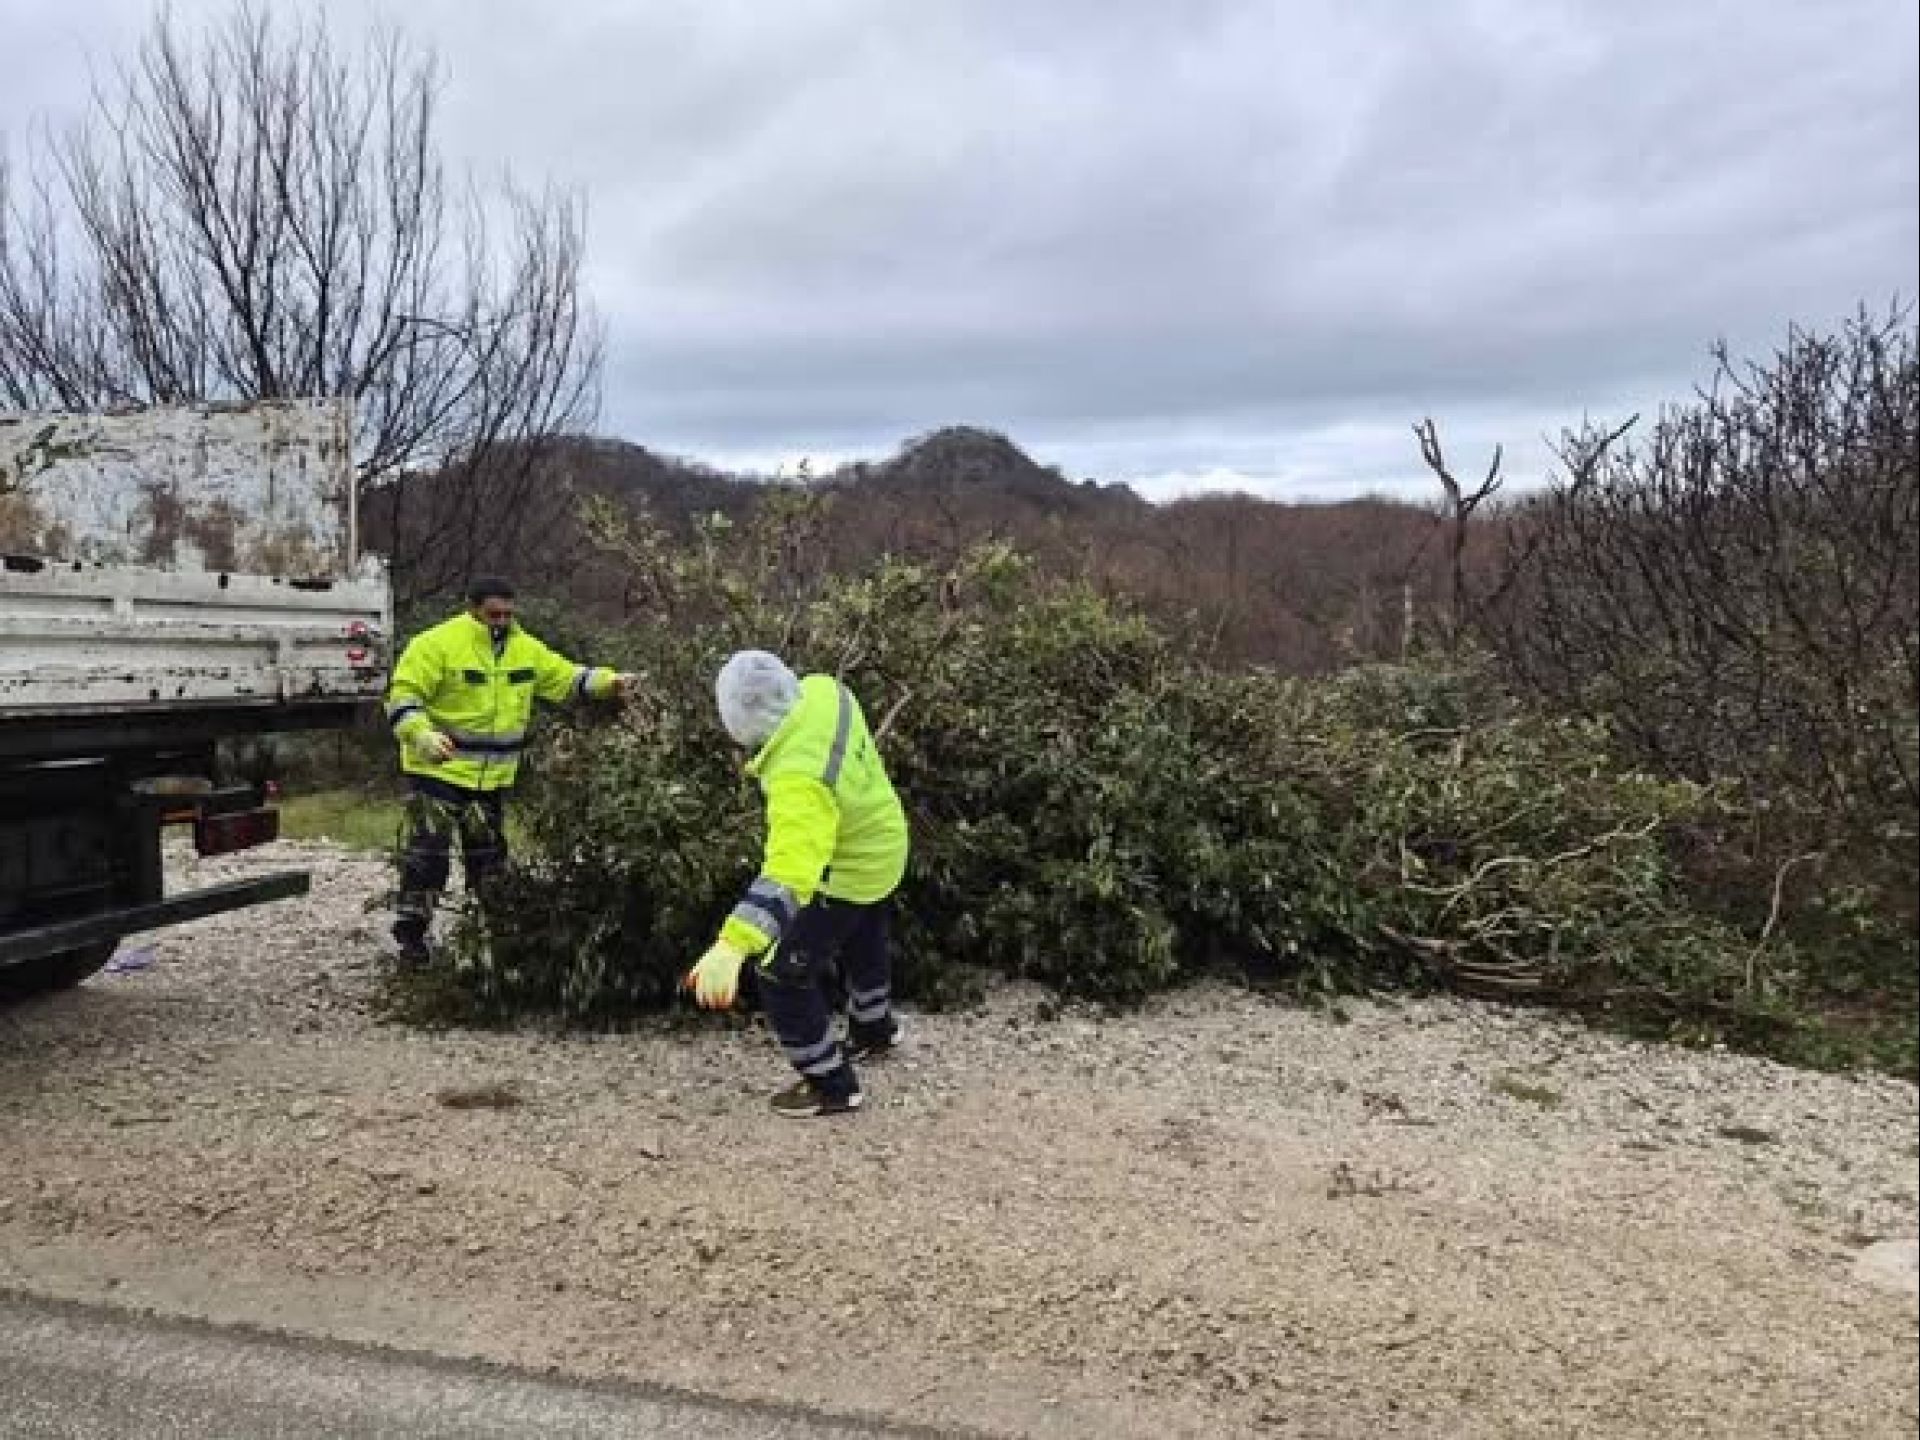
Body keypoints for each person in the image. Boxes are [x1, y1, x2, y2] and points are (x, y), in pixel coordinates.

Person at [684, 651, 910, 1118]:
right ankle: (875, 1030)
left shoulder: (797, 777)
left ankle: (831, 1085)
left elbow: (790, 873)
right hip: (885, 842)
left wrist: (733, 944)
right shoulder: (826, 691)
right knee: (864, 933)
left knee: (781, 974)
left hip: (847, 867)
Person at [382, 576, 634, 966]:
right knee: (428, 855)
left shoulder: (524, 649)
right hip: (438, 770)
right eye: (493, 614)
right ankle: (411, 935)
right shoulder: (435, 645)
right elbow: (403, 696)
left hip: (491, 777)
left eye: (507, 615)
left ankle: (492, 935)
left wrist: (610, 682)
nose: (500, 622)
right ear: (473, 610)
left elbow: (568, 678)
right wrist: (421, 735)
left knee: (488, 860)